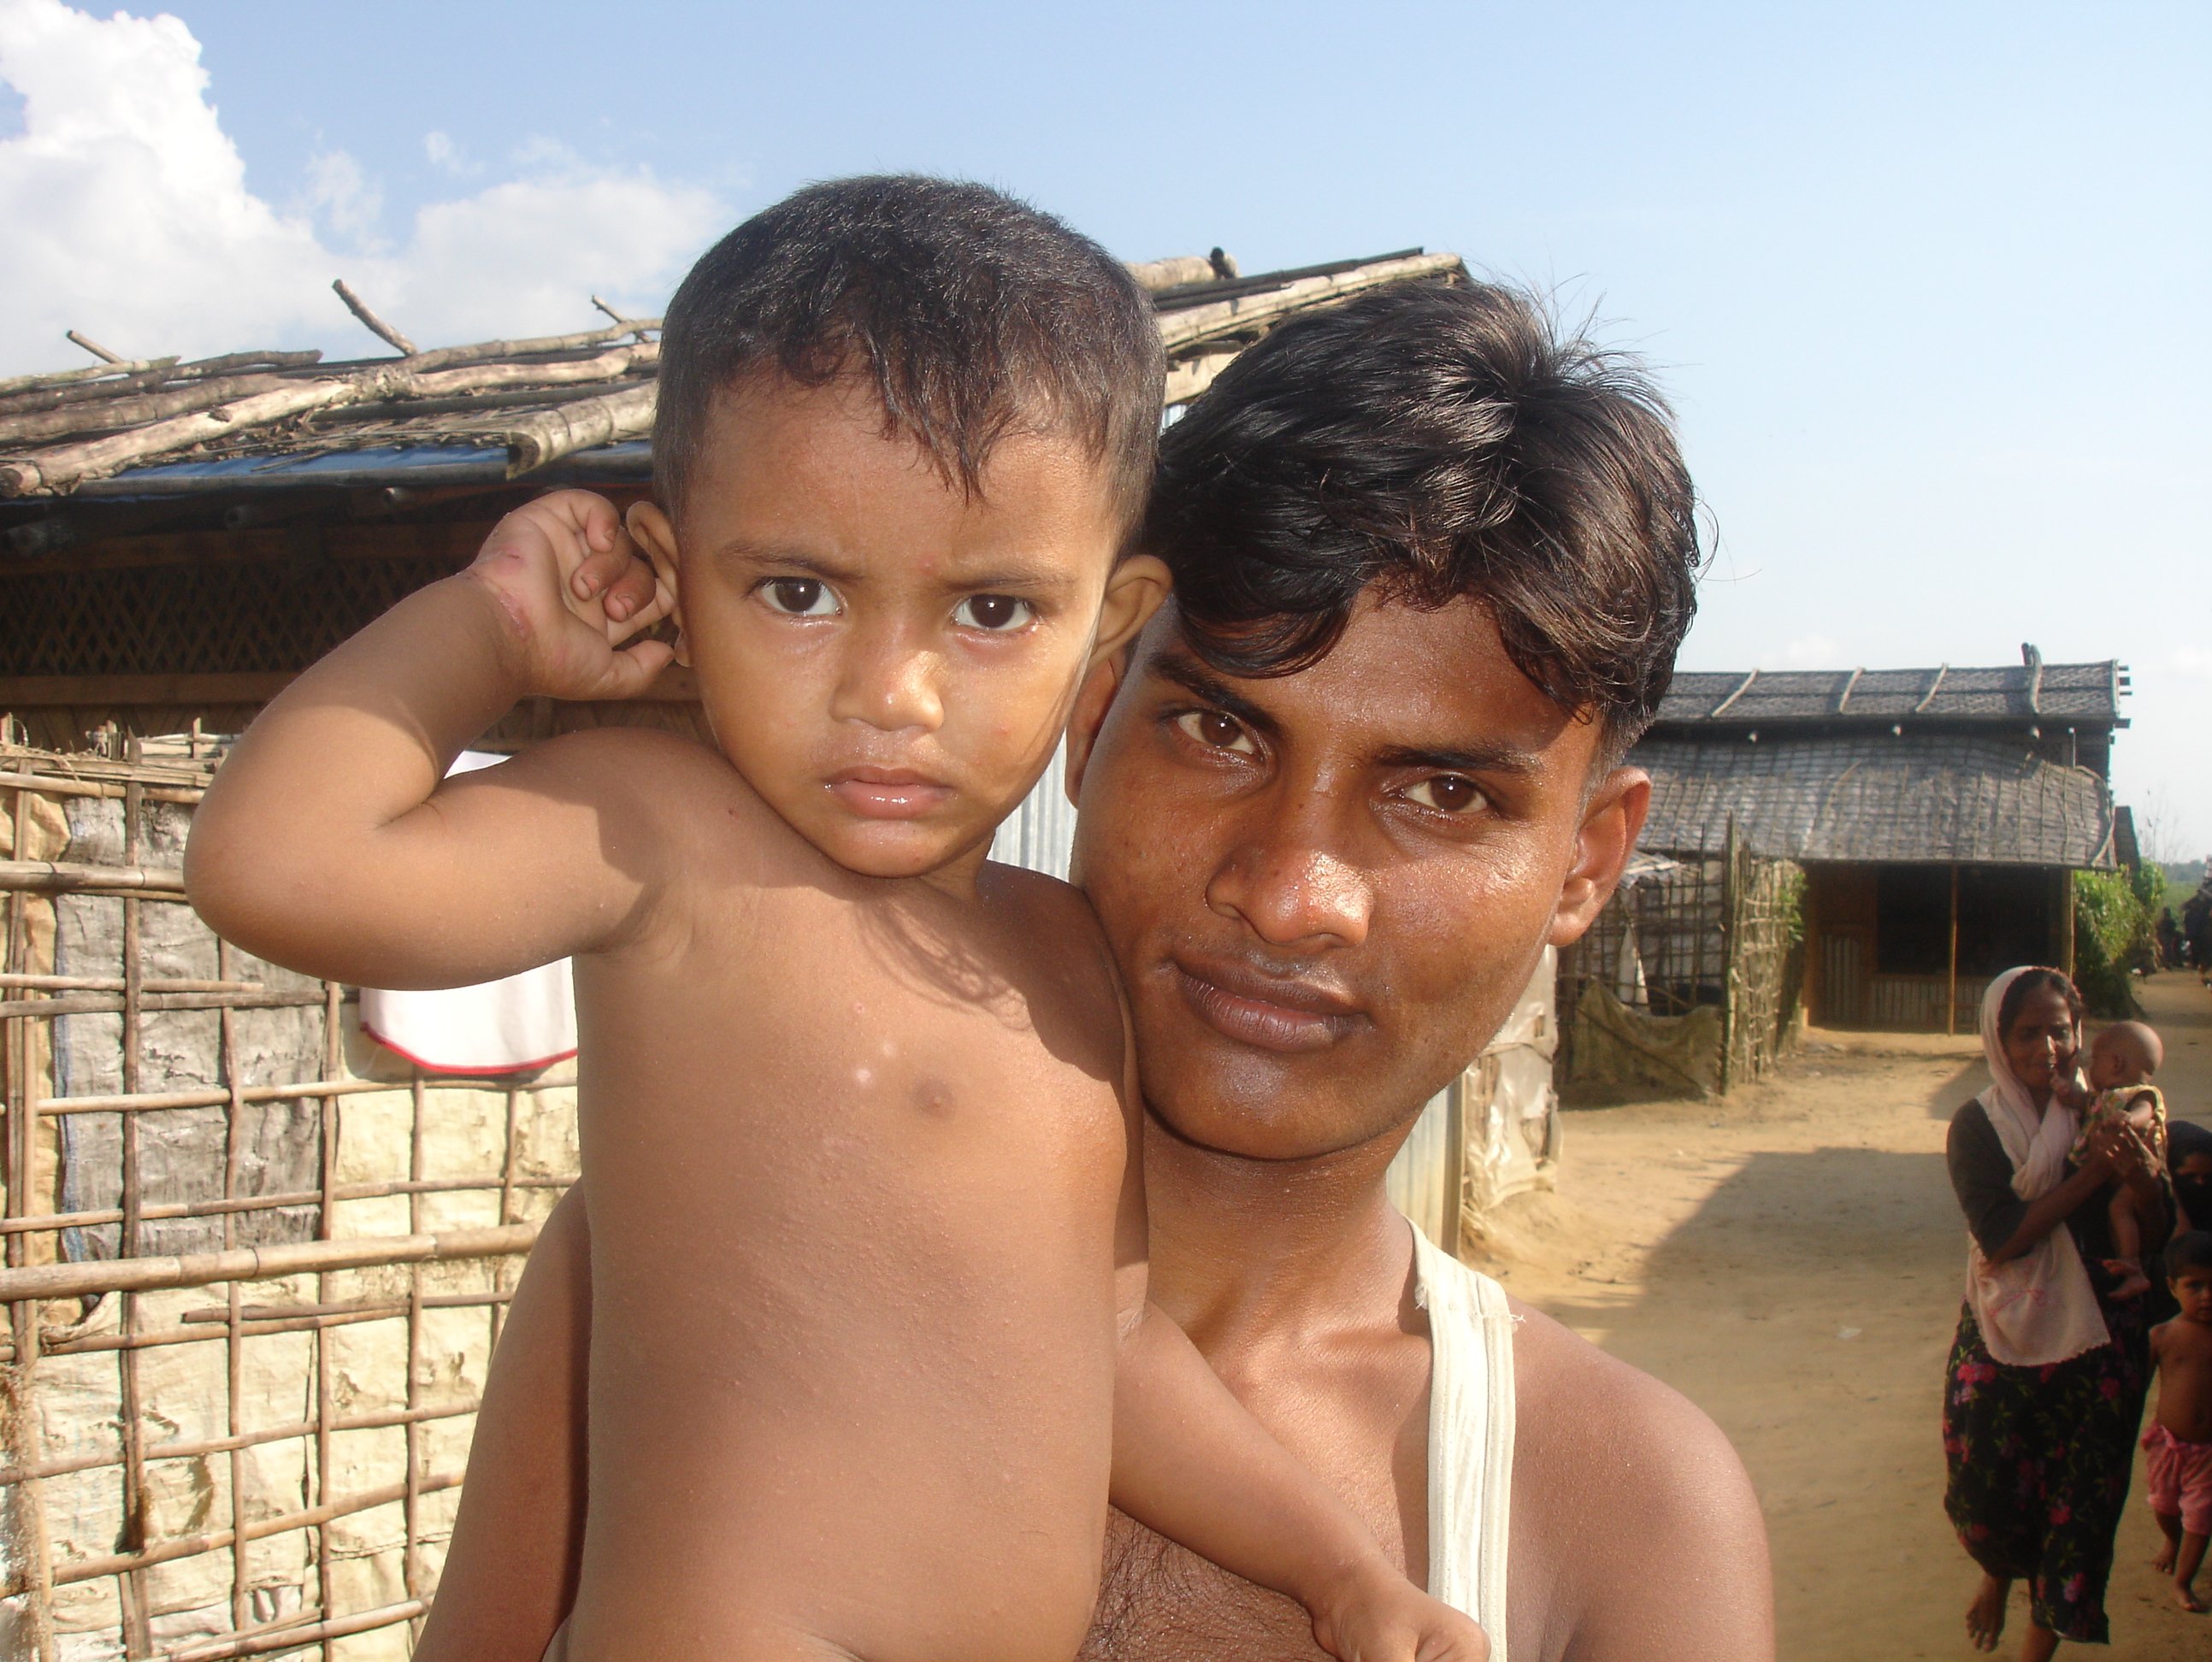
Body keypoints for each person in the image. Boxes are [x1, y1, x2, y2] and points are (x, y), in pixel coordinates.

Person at [185, 178, 1485, 1662]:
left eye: (990, 611)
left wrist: (1341, 1572)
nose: (893, 692)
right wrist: (489, 627)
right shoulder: (659, 838)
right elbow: (276, 866)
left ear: (1108, 630)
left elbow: (1114, 1349)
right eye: (798, 590)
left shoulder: (1068, 959)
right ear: (678, 579)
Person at [407, 278, 1775, 1662]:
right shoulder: (675, 1262)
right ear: (1095, 710)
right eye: (1217, 731)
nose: (1292, 893)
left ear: (1589, 863)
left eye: (1440, 793)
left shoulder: (1623, 1521)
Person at [1944, 966, 2173, 1658]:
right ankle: (1997, 1573)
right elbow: (2005, 1236)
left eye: (2061, 1031)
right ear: (1998, 1040)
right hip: (2003, 1331)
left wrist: (2136, 1172)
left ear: (2082, 1033)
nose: (2048, 1048)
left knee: (2078, 1514)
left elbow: (2157, 1226)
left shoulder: (2110, 1107)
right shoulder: (1978, 1128)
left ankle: (2037, 1644)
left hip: (2102, 1343)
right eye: (2027, 1034)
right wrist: (2095, 1174)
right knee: (1990, 1499)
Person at [2062, 1020, 2168, 1299]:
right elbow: (2084, 1102)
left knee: (2119, 1210)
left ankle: (2132, 1267)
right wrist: (2066, 1092)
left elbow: (2146, 1111)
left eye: (2095, 1060)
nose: (2090, 1068)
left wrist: (2129, 1119)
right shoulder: (2105, 1097)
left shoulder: (2139, 1094)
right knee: (2114, 1215)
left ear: (2116, 1063)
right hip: (2117, 1172)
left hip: (2134, 1172)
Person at [2145, 1229, 2212, 1613]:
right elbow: (2136, 1386)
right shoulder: (2163, 1335)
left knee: (2201, 1517)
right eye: (2195, 1285)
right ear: (2172, 1287)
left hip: (2211, 1451)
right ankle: (2170, 1541)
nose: (2207, 1295)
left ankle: (2183, 1581)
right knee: (2164, 1506)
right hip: (2167, 1443)